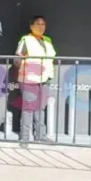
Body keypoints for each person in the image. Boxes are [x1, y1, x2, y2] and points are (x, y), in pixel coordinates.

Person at [15, 15, 56, 145]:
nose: (41, 26)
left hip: (45, 79)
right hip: (29, 79)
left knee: (40, 108)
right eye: (38, 24)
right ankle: (25, 137)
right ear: (31, 26)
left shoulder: (48, 41)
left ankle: (40, 135)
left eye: (43, 24)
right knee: (28, 108)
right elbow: (17, 58)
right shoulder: (26, 40)